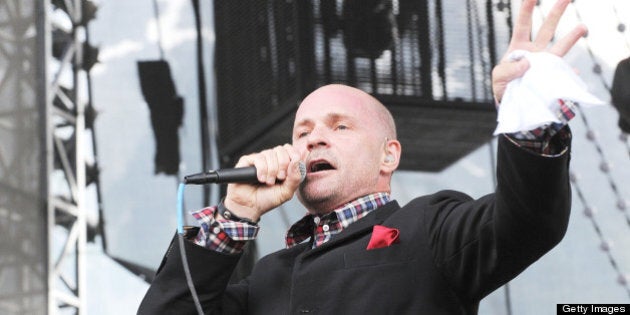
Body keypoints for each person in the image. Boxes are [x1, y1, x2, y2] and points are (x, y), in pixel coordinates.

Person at [138, 0, 585, 313]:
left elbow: (528, 222)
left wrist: (527, 113)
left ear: (388, 156)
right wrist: (236, 212)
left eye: (340, 126)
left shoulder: (429, 228)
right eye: (303, 131)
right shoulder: (264, 281)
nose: (314, 139)